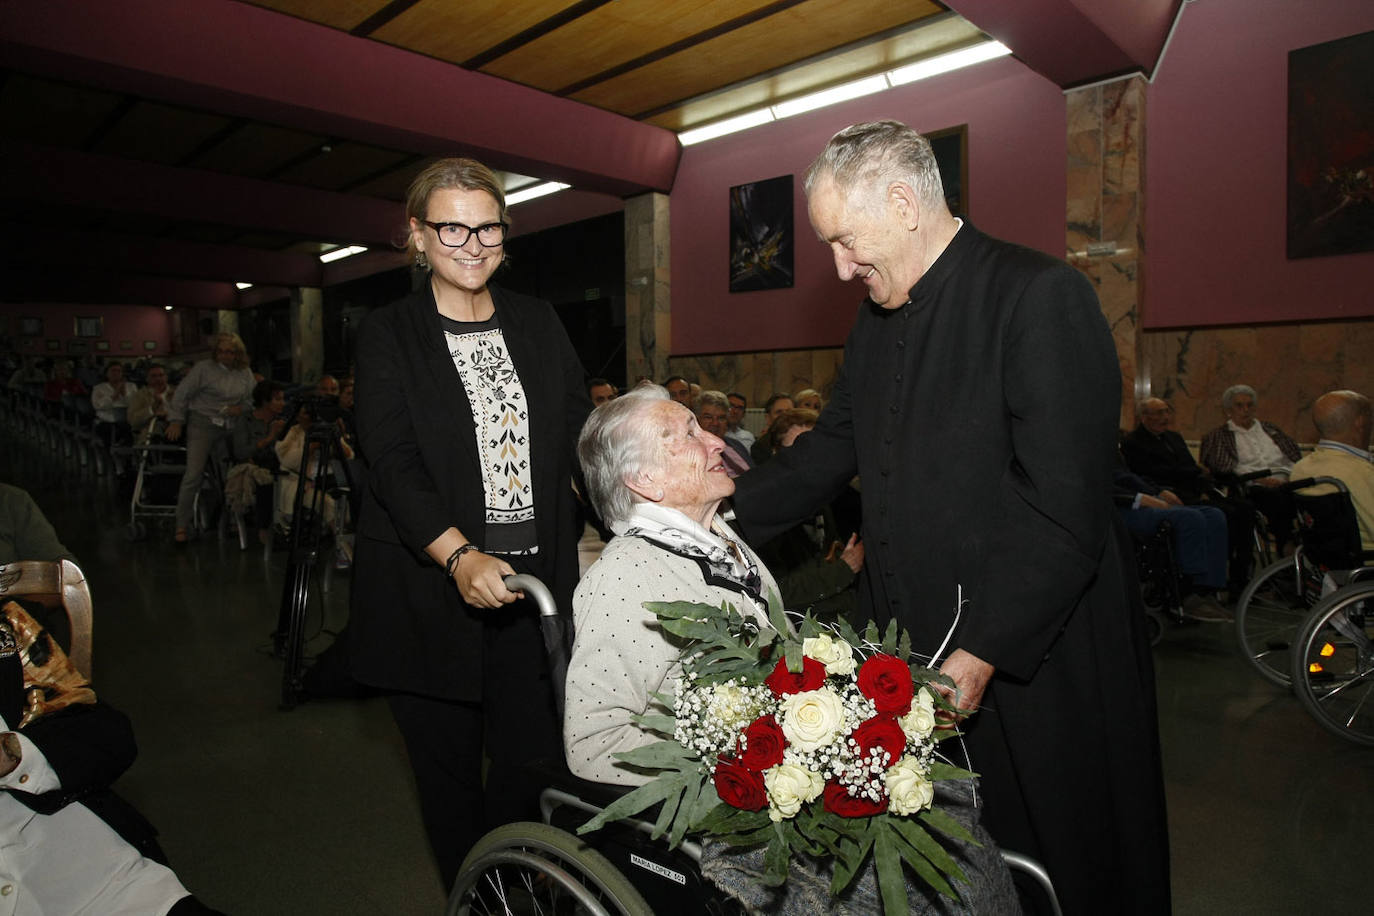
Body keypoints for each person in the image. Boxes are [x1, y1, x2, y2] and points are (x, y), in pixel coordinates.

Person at [731, 120, 1169, 914]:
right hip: (922, 655)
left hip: (1035, 649)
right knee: (954, 868)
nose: (837, 268)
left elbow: (1065, 505)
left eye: (842, 240)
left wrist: (984, 648)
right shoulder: (876, 318)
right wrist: (716, 514)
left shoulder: (1038, 296)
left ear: (903, 203)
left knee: (1057, 862)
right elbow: (828, 453)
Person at [567, 385, 1014, 914]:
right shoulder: (625, 577)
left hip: (789, 778)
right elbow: (592, 741)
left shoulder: (725, 545)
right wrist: (742, 764)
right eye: (687, 433)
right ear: (643, 480)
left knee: (956, 826)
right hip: (729, 808)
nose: (714, 440)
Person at [348, 157, 591, 888]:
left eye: (488, 226)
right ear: (418, 236)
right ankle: (478, 899)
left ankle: (515, 887)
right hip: (429, 598)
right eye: (451, 226)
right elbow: (391, 461)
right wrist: (459, 558)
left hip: (532, 595)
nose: (472, 243)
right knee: (450, 789)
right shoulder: (390, 334)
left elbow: (580, 433)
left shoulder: (538, 321)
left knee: (531, 769)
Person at [1123, 396, 1255, 596]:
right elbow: (1152, 473)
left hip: (1193, 489)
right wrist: (1189, 475)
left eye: (1167, 412)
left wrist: (1202, 484)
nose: (1165, 417)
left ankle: (1240, 575)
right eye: (1159, 413)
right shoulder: (1132, 442)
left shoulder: (1174, 438)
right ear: (1144, 417)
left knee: (1245, 510)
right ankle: (1207, 582)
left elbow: (1191, 468)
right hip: (1169, 492)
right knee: (1224, 514)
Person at [164, 333, 255, 544]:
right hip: (203, 423)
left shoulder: (244, 372)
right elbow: (182, 394)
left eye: (230, 352)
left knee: (233, 472)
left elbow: (252, 399)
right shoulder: (203, 369)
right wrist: (176, 420)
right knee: (193, 474)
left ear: (237, 353)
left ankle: (234, 517)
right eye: (221, 351)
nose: (225, 355)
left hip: (231, 424)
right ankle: (181, 525)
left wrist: (241, 408)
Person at [1199, 384, 1302, 553]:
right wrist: (1260, 479)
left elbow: (1292, 457)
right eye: (1239, 406)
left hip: (1286, 480)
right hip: (1252, 486)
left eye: (1249, 405)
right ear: (1228, 410)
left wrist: (1290, 475)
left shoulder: (1270, 429)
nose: (1245, 410)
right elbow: (1224, 468)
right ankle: (1287, 543)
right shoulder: (1219, 436)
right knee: (1275, 497)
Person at [1291, 390, 1374, 552]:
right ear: (1361, 422)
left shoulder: (1300, 468)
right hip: (1366, 564)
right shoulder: (1361, 473)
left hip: (1326, 563)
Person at [91, 361, 137, 468]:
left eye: (119, 371)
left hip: (127, 419)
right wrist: (114, 395)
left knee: (131, 429)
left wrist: (124, 394)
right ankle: (110, 463)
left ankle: (130, 462)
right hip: (106, 420)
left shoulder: (131, 386)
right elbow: (98, 406)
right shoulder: (99, 388)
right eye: (113, 371)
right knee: (106, 430)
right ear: (107, 373)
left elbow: (134, 404)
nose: (116, 373)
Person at [696, 389, 752, 476]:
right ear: (696, 420)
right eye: (708, 417)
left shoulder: (736, 445)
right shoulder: (691, 452)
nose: (715, 423)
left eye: (721, 418)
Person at [126, 363, 175, 444]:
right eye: (153, 376)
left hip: (176, 427)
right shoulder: (139, 395)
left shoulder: (177, 393)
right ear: (147, 379)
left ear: (166, 377)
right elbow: (132, 421)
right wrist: (152, 408)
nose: (158, 379)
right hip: (151, 430)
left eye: (161, 375)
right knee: (155, 428)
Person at [749, 393, 794, 464]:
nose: (785, 416)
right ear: (768, 418)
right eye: (779, 412)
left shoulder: (804, 438)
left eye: (789, 411)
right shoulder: (760, 447)